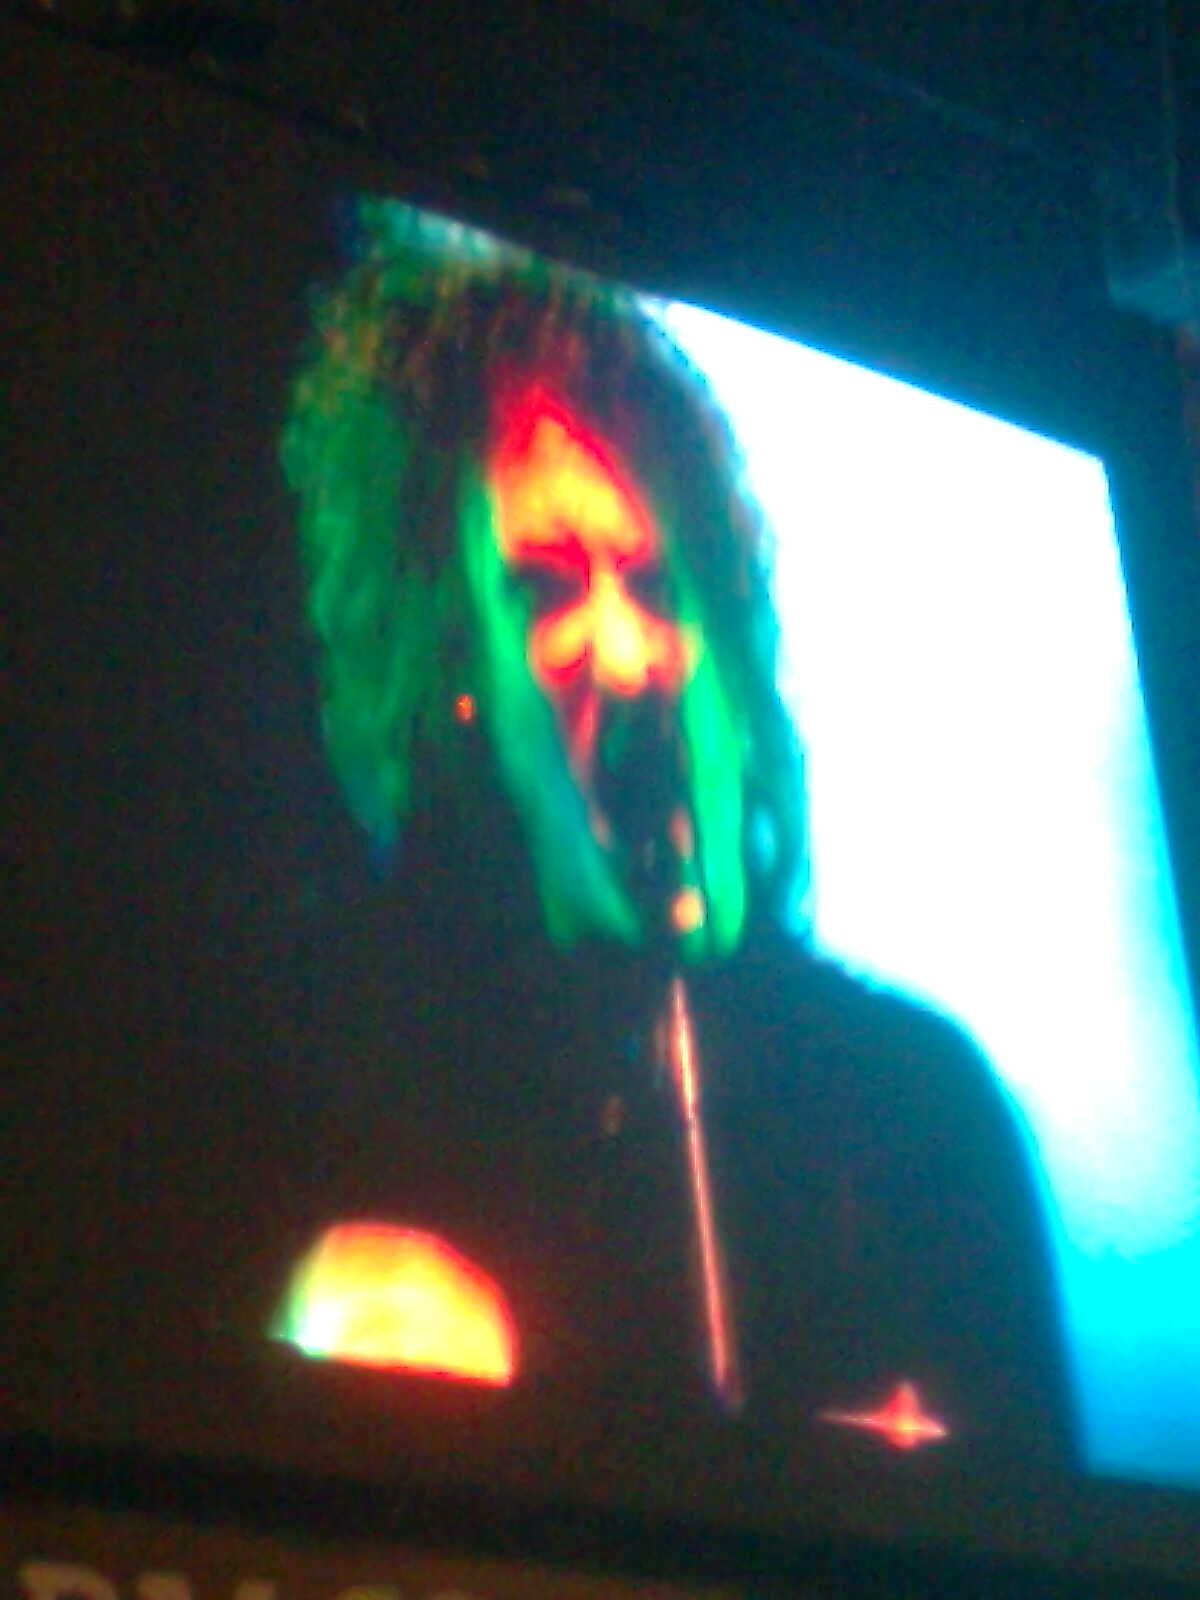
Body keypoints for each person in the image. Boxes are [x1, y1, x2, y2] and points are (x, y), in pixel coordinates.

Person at [273, 199, 1075, 1486]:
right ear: (448, 666)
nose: (630, 654)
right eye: (548, 585)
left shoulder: (919, 1112)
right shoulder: (329, 1098)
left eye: (656, 584)